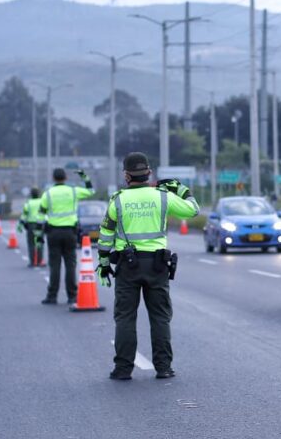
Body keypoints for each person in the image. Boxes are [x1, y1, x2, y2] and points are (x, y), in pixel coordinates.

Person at [97, 152, 199, 380]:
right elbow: (193, 209)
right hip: (157, 265)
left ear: (126, 175)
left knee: (125, 318)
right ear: (149, 173)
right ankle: (163, 367)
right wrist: (181, 189)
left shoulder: (118, 200)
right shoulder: (162, 197)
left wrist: (103, 262)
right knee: (160, 317)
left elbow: (105, 235)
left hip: (128, 265)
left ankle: (123, 369)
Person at [37, 168, 95, 304]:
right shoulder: (73, 191)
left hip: (53, 233)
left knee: (55, 265)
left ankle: (52, 296)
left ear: (53, 178)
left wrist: (39, 235)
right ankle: (72, 296)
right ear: (66, 178)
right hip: (70, 232)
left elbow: (40, 215)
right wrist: (84, 177)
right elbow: (91, 191)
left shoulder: (48, 194)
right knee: (70, 264)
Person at [18, 187, 45, 268]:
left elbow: (24, 215)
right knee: (39, 243)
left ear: (31, 195)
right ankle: (40, 262)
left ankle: (32, 262)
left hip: (31, 225)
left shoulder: (28, 203)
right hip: (40, 225)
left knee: (31, 244)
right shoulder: (42, 202)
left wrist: (21, 224)